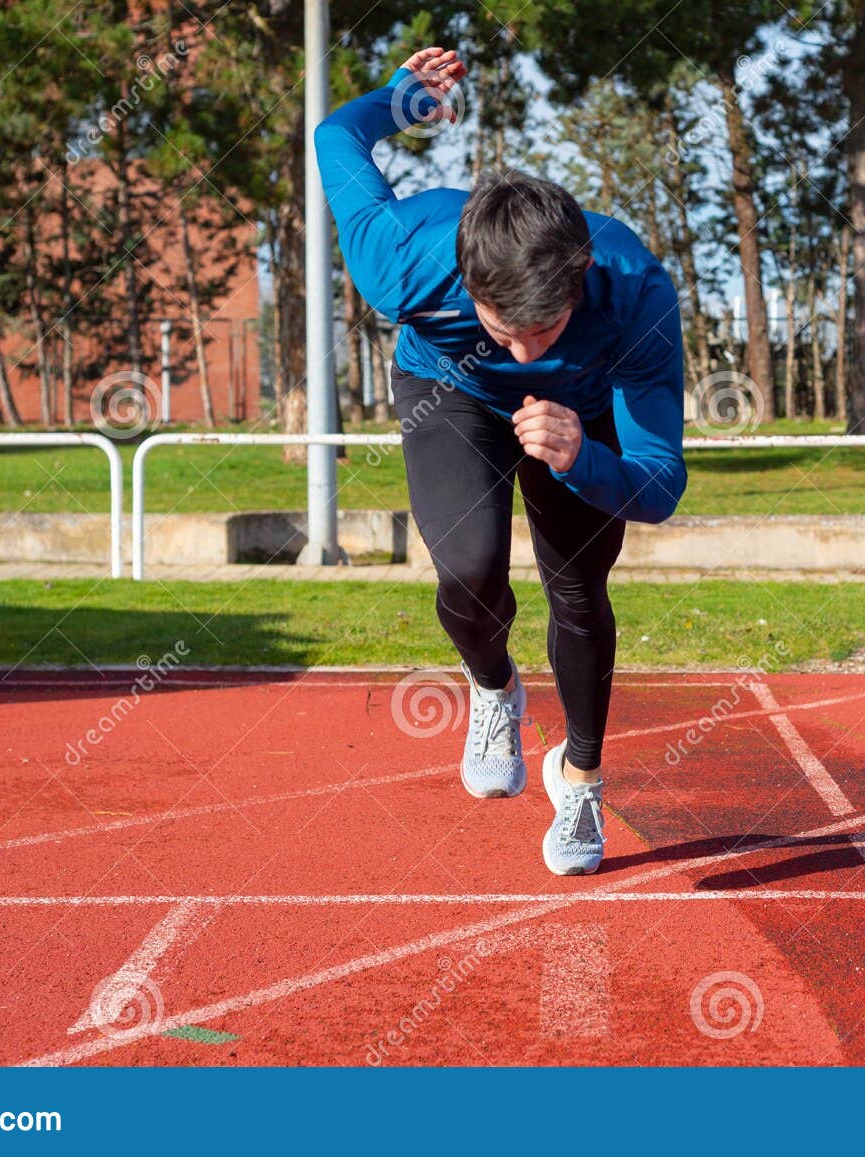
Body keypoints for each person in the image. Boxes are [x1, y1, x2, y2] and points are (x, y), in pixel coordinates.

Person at [314, 47, 687, 876]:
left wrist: (586, 456)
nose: (522, 347)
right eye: (501, 325)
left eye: (544, 330)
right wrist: (403, 101)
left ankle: (580, 778)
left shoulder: (635, 294)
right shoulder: (403, 253)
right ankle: (493, 687)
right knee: (469, 566)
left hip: (582, 418)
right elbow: (338, 136)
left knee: (578, 589)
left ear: (580, 278)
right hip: (450, 392)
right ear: (465, 276)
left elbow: (660, 484)